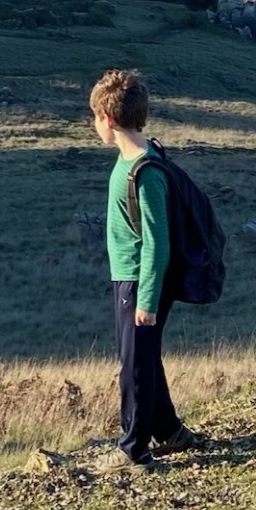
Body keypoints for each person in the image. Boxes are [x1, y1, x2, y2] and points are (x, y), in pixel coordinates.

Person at [89, 68, 202, 468]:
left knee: (133, 366)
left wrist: (148, 300)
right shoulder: (142, 155)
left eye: (96, 118)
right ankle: (169, 429)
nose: (95, 126)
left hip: (139, 283)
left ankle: (133, 447)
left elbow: (158, 241)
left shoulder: (144, 172)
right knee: (145, 357)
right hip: (131, 279)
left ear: (109, 119)